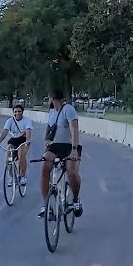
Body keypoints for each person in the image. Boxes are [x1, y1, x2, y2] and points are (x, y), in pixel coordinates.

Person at [36, 90, 83, 219]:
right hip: (55, 145)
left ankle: (76, 199)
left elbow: (74, 130)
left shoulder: (69, 109)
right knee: (45, 168)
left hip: (69, 146)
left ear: (54, 99)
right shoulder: (52, 112)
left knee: (71, 171)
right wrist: (46, 139)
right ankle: (47, 206)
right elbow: (49, 127)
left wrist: (74, 150)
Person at [0, 104, 33, 192]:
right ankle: (11, 176)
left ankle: (23, 176)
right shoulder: (10, 121)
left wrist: (28, 141)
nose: (17, 113)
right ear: (13, 113)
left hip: (23, 140)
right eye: (15, 112)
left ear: (22, 112)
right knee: (8, 158)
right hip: (14, 140)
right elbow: (5, 131)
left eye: (19, 111)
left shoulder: (27, 121)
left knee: (20, 155)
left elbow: (28, 131)